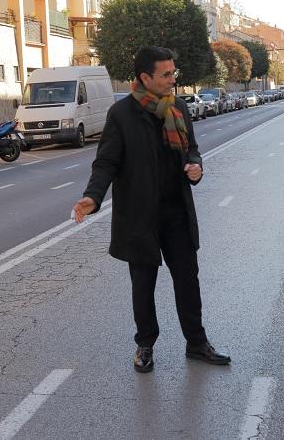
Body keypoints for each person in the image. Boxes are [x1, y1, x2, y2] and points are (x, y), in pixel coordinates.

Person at [72, 46, 231, 373]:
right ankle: (145, 345)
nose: (173, 79)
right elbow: (106, 163)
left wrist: (195, 166)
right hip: (139, 216)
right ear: (145, 78)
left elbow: (193, 150)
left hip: (176, 213)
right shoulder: (122, 115)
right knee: (143, 284)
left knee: (188, 280)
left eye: (174, 72)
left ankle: (196, 342)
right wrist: (93, 196)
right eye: (166, 74)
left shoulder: (180, 110)